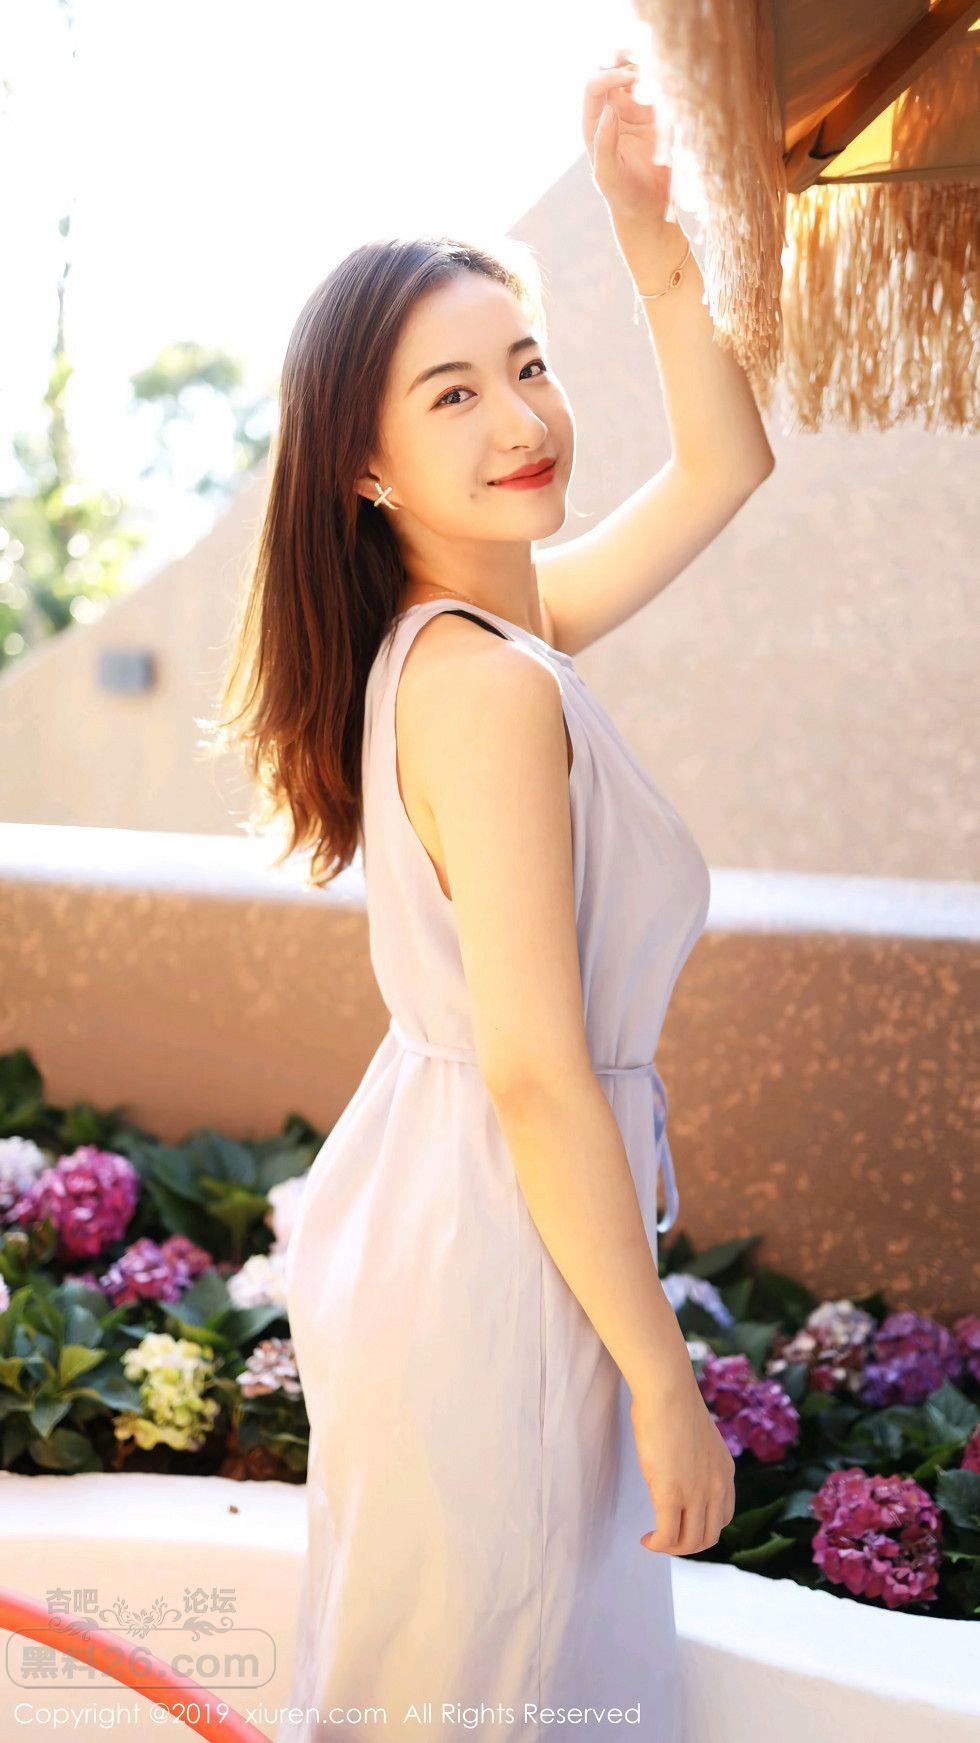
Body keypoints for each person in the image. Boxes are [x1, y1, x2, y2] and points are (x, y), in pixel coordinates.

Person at [208, 50, 775, 1743]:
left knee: (452, 1677)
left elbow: (725, 465)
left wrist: (643, 234)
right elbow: (534, 1068)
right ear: (364, 465)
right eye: (451, 394)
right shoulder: (487, 686)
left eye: (527, 365)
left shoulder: (473, 641)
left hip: (464, 1216)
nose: (521, 422)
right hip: (498, 1250)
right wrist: (665, 1385)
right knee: (502, 1694)